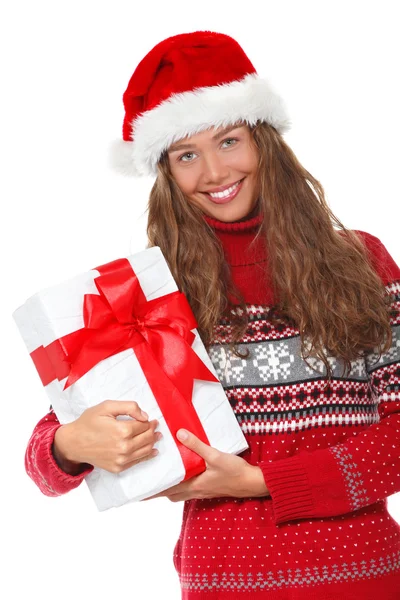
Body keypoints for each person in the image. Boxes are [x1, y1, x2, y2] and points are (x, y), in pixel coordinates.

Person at [25, 30, 400, 599]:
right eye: (186, 155)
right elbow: (48, 451)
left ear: (264, 139)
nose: (215, 172)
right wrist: (70, 444)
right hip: (223, 584)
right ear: (167, 173)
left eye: (228, 141)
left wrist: (262, 482)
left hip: (363, 579)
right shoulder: (149, 292)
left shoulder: (361, 261)